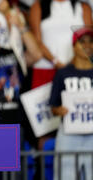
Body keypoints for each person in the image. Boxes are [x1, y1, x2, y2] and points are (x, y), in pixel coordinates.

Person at [49, 27, 93, 180]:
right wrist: (59, 110)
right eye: (82, 42)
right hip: (69, 134)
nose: (87, 45)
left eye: (91, 41)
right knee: (65, 175)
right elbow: (53, 107)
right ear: (74, 46)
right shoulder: (63, 73)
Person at [28, 0, 93, 88]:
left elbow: (88, 40)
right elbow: (37, 41)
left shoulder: (83, 7)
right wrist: (55, 62)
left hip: (76, 69)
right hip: (46, 69)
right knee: (49, 101)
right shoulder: (38, 7)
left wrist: (72, 63)